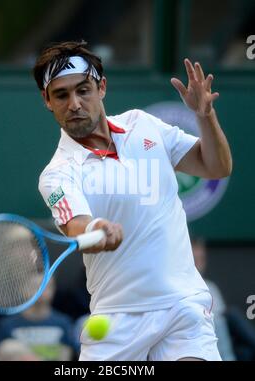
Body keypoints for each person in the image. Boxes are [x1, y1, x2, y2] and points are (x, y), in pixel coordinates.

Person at [33, 41, 232, 361]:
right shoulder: (56, 175)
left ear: (102, 88)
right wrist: (98, 228)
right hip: (116, 320)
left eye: (83, 90)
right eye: (61, 94)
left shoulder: (145, 124)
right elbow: (77, 227)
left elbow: (216, 166)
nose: (74, 103)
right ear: (47, 100)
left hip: (182, 306)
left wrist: (204, 115)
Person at [0, 277, 75, 361]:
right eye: (35, 286)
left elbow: (65, 356)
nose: (42, 290)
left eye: (47, 286)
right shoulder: (6, 325)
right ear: (22, 289)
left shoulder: (63, 323)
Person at [191, 238, 236, 361]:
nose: (199, 264)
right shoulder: (173, 289)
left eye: (202, 259)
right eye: (195, 259)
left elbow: (223, 342)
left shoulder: (211, 288)